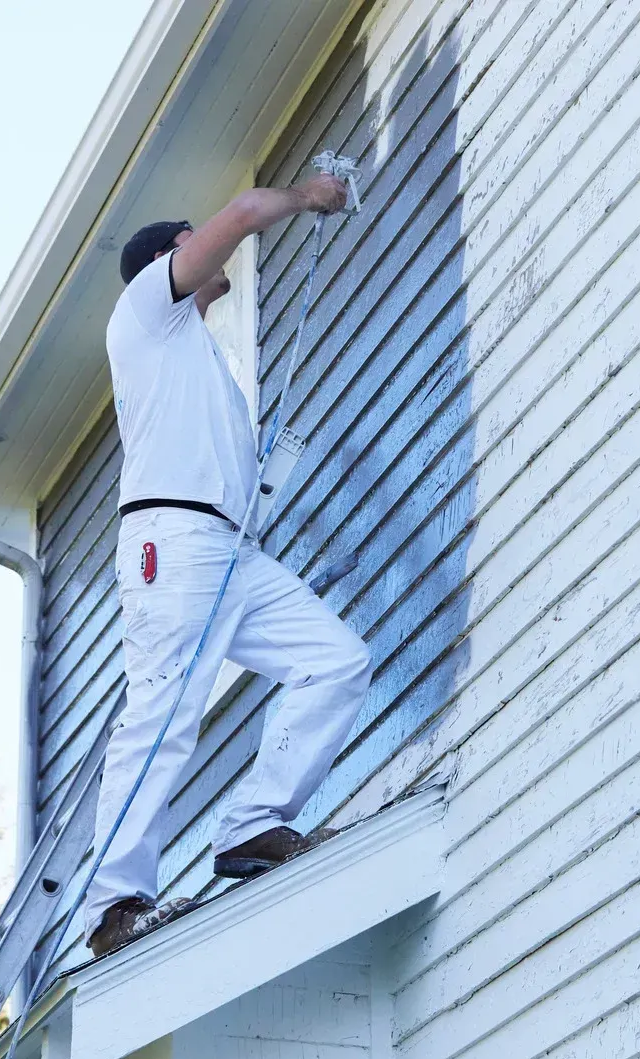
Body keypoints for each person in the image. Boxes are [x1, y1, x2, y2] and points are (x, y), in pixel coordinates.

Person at [83, 173, 372, 958]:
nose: (206, 243)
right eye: (190, 235)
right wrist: (311, 196)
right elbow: (243, 213)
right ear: (169, 257)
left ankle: (251, 824)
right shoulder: (145, 312)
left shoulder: (199, 358)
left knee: (335, 660)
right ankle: (116, 903)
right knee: (163, 714)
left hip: (233, 553)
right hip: (171, 542)